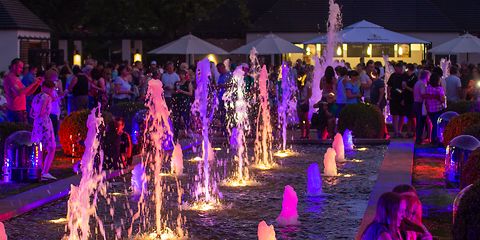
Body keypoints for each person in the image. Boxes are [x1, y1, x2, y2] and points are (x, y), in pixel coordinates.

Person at [31, 80, 56, 180]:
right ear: (46, 88)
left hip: (36, 123)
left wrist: (37, 118)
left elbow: (31, 113)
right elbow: (42, 111)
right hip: (45, 123)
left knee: (39, 148)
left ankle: (38, 171)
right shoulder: (47, 97)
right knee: (51, 148)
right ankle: (45, 172)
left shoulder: (36, 97)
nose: (52, 91)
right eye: (51, 89)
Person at [4, 58, 42, 123]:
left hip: (19, 110)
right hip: (15, 110)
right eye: (20, 67)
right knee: (20, 131)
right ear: (14, 66)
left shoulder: (16, 78)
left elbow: (27, 93)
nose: (21, 70)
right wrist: (33, 83)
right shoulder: (10, 78)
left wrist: (36, 84)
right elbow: (19, 92)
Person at [424, 73, 445, 145]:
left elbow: (426, 97)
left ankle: (433, 139)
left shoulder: (428, 87)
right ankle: (435, 140)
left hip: (430, 110)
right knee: (437, 125)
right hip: (438, 109)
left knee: (434, 124)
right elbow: (442, 100)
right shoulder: (439, 89)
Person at [172, 69, 193, 140]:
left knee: (185, 117)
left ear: (185, 75)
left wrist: (182, 91)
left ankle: (186, 132)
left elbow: (190, 93)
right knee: (177, 117)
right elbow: (173, 91)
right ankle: (176, 133)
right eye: (179, 74)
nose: (180, 76)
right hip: (177, 102)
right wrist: (175, 92)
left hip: (185, 102)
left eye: (182, 74)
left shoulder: (188, 83)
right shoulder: (177, 83)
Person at [387, 63, 407, 138]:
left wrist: (404, 98)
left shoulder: (404, 76)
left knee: (402, 115)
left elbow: (405, 88)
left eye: (397, 68)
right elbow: (389, 86)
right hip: (394, 97)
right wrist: (388, 95)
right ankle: (396, 131)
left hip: (402, 97)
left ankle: (399, 130)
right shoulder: (393, 76)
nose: (395, 70)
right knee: (395, 114)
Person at [413, 71, 430, 145]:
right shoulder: (422, 84)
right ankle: (419, 139)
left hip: (416, 103)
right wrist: (431, 96)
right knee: (421, 122)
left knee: (419, 121)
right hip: (420, 104)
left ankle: (418, 137)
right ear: (426, 76)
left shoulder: (417, 82)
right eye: (429, 76)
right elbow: (423, 94)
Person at [297, 67, 312, 139]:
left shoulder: (308, 84)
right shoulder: (298, 84)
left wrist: (305, 100)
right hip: (299, 102)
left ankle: (307, 134)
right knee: (300, 119)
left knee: (305, 119)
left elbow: (310, 94)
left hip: (305, 102)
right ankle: (302, 134)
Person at [403, 64, 417, 138]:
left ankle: (415, 132)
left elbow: (414, 90)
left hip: (412, 99)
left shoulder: (414, 78)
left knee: (413, 116)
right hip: (407, 98)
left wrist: (406, 87)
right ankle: (409, 132)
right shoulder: (406, 77)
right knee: (408, 116)